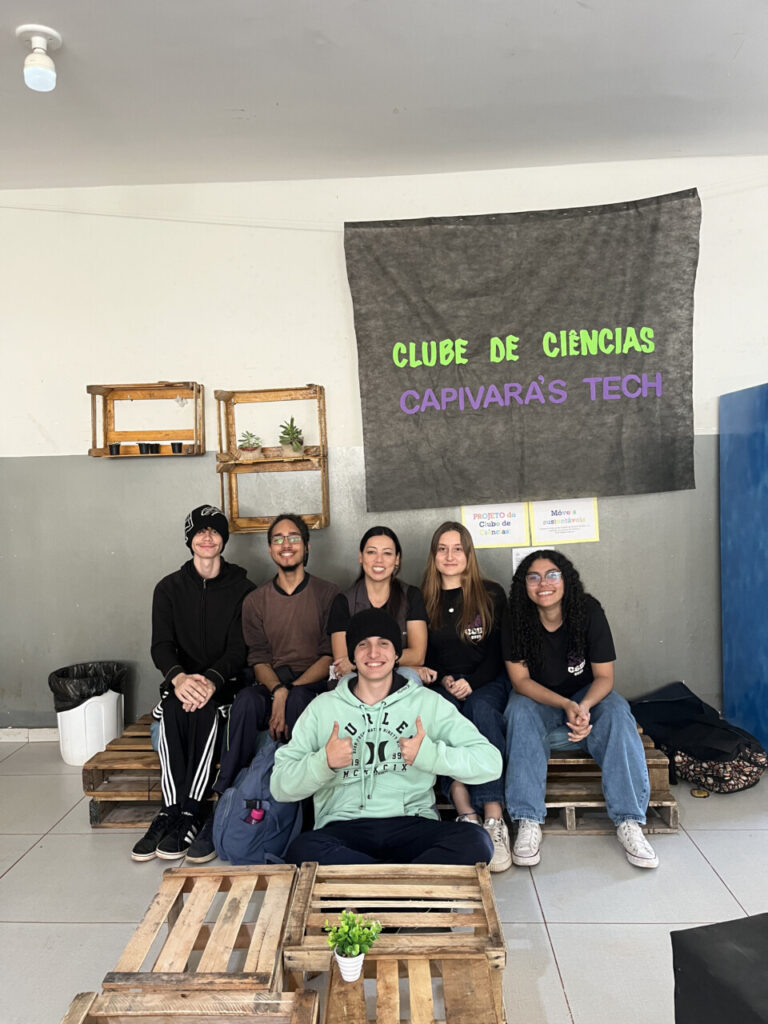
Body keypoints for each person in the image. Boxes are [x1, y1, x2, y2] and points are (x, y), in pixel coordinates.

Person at [271, 608, 500, 866]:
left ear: (396, 653)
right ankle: (409, 892)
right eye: (362, 645)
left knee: (476, 841)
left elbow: (490, 762)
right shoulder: (322, 708)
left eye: (383, 643)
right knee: (303, 850)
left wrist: (430, 755)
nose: (373, 653)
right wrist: (324, 762)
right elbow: (280, 785)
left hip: (412, 823)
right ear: (352, 656)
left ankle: (367, 891)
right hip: (344, 827)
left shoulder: (427, 703)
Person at [185, 513, 339, 862]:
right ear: (270, 550)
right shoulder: (255, 600)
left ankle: (307, 817)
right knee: (245, 703)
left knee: (300, 699)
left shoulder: (328, 593)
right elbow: (258, 657)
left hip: (313, 685)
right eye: (279, 539)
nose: (287, 545)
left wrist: (291, 690)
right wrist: (277, 692)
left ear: (307, 545)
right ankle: (224, 802)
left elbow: (329, 655)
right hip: (271, 682)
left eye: (294, 538)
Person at [503, 549, 658, 869]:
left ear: (566, 580)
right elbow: (520, 681)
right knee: (519, 711)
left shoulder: (588, 610)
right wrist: (565, 704)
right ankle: (528, 819)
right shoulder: (515, 617)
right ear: (524, 585)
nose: (543, 583)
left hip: (588, 694)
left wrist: (584, 706)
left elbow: (605, 677)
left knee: (616, 711)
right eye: (533, 577)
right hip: (540, 698)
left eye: (552, 575)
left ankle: (629, 820)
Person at [131, 505, 254, 862]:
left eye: (214, 531)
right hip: (180, 684)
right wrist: (181, 678)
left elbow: (239, 648)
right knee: (172, 707)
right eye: (199, 531)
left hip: (222, 686)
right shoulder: (168, 589)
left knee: (206, 710)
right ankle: (170, 810)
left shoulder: (243, 589)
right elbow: (161, 646)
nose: (206, 537)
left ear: (223, 540)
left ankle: (192, 810)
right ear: (189, 539)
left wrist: (210, 682)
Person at [419, 521, 512, 872]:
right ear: (433, 555)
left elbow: (499, 653)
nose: (450, 555)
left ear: (469, 553)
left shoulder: (491, 593)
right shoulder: (422, 598)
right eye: (442, 548)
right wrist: (443, 678)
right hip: (443, 685)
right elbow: (423, 654)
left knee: (481, 712)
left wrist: (472, 683)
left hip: (487, 682)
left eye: (457, 548)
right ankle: (466, 815)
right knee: (444, 721)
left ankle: (493, 817)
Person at [328, 525, 427, 677]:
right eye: (371, 552)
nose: (379, 560)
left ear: (397, 559)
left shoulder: (411, 596)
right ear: (361, 557)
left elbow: (418, 655)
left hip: (400, 674)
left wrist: (357, 662)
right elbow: (342, 663)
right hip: (359, 677)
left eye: (387, 553)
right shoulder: (344, 602)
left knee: (411, 676)